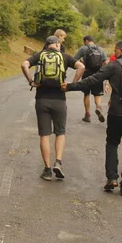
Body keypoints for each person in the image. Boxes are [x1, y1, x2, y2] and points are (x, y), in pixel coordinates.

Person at [61, 40, 122, 197]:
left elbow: (93, 80)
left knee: (112, 144)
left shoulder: (114, 66)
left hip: (117, 112)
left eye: (115, 51)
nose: (114, 53)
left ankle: (112, 178)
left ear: (120, 50)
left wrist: (71, 86)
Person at [21, 35, 85, 181]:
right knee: (60, 132)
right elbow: (81, 67)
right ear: (56, 44)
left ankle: (47, 169)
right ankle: (58, 162)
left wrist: (31, 81)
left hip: (42, 100)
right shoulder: (65, 56)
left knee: (44, 134)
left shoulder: (39, 55)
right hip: (59, 100)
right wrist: (71, 85)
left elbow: (24, 64)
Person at [73, 35, 107, 123]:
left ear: (86, 41)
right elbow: (105, 62)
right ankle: (98, 107)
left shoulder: (83, 49)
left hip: (87, 73)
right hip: (98, 74)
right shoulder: (101, 49)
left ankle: (87, 114)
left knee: (86, 94)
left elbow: (74, 60)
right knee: (97, 94)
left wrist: (81, 62)